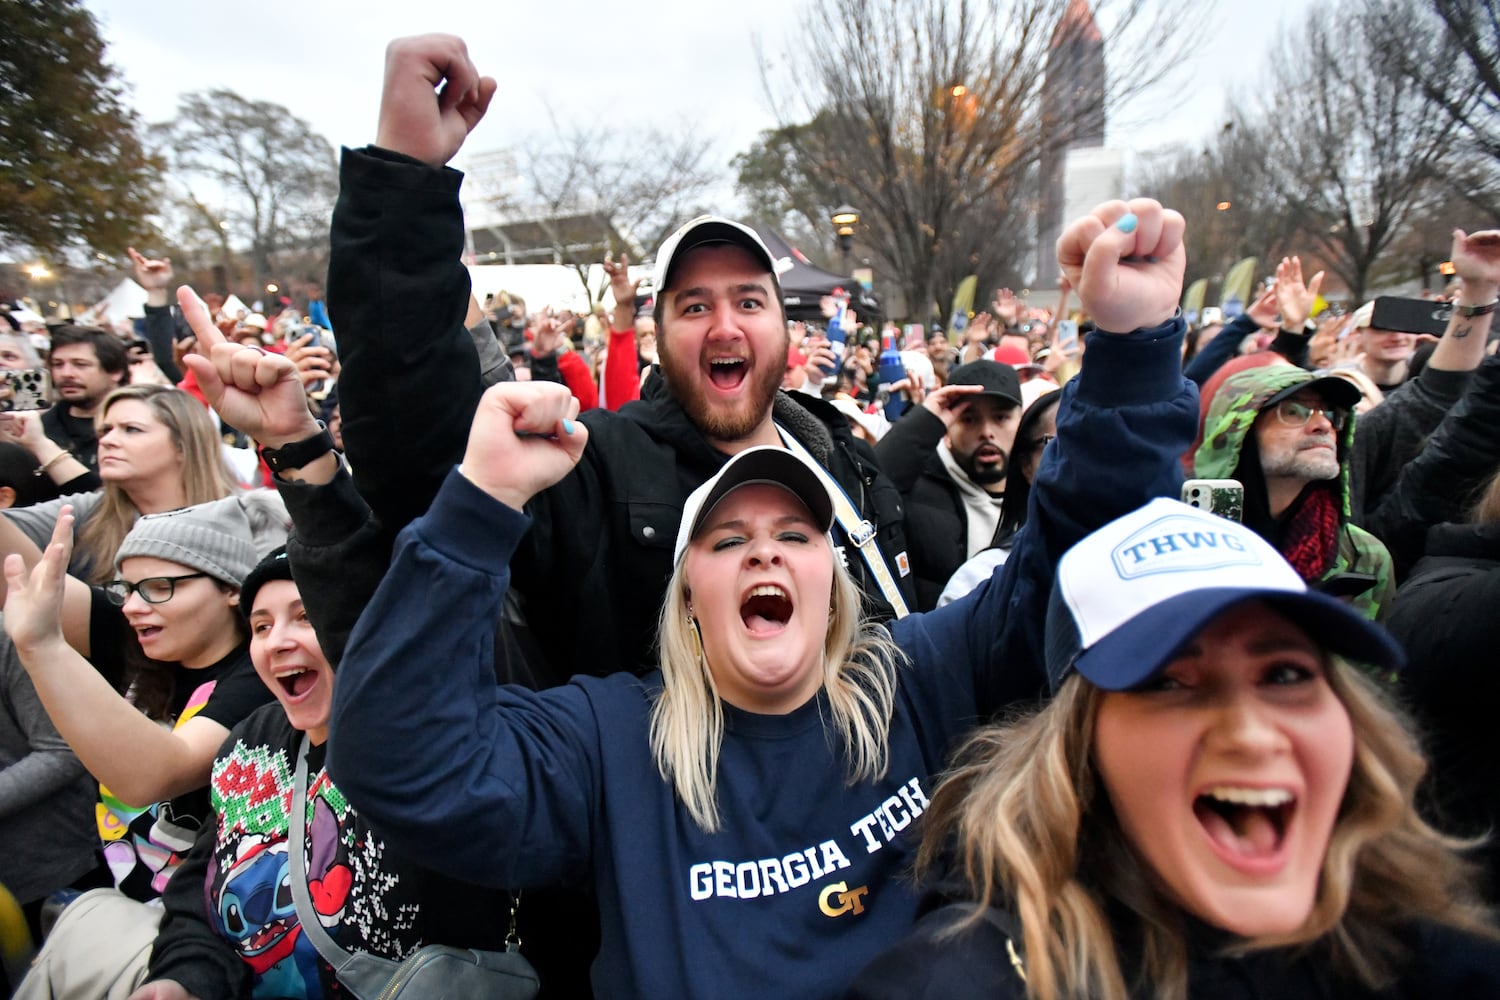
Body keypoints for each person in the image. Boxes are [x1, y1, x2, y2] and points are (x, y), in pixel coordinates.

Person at [322, 198, 1197, 997]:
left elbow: (1075, 567)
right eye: (728, 540)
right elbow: (404, 763)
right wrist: (478, 505)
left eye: (795, 537)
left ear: (836, 581)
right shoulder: (615, 745)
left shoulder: (918, 676)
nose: (764, 557)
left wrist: (1130, 349)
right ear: (687, 596)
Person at [318, 34, 912, 688]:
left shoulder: (843, 456)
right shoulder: (594, 466)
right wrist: (403, 183)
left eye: (748, 301)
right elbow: (420, 465)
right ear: (656, 336)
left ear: (783, 327)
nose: (723, 326)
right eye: (693, 307)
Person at [847, 498, 1500, 1000]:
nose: (1250, 732)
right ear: (1079, 746)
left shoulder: (1429, 949)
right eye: (1168, 682)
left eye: (1286, 674)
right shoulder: (964, 976)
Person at [126, 549, 508, 1000]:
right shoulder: (254, 741)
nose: (276, 642)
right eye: (261, 626)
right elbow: (199, 902)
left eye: (307, 616)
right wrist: (183, 981)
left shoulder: (435, 747)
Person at [5, 498, 278, 999]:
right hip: (122, 904)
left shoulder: (256, 679)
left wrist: (41, 648)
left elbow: (157, 774)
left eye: (159, 588)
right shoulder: (140, 633)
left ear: (231, 591)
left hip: (208, 939)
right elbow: (20, 583)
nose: (132, 606)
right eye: (126, 588)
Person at [1192, 365, 1394, 618]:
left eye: (1331, 413)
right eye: (1293, 411)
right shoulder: (1177, 539)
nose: (1323, 424)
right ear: (1239, 430)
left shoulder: (1364, 556)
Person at [2, 384, 254, 584]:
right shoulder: (87, 512)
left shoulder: (252, 517)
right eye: (105, 430)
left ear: (183, 445)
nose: (108, 441)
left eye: (131, 430)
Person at [875, 360, 1024, 610]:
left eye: (1000, 418)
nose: (986, 432)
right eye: (969, 419)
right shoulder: (916, 485)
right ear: (947, 428)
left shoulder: (1041, 489)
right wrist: (924, 420)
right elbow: (868, 489)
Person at [42, 325, 129, 472]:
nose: (66, 373)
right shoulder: (42, 427)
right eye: (58, 365)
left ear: (115, 372)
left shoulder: (139, 424)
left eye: (80, 365)